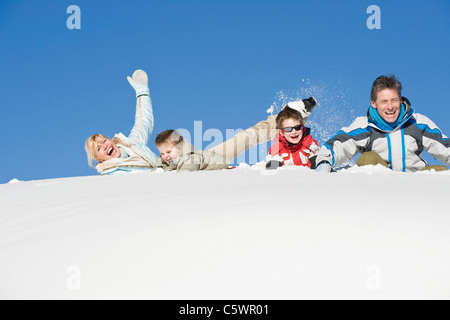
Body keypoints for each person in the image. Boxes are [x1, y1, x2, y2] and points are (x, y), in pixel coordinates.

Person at [315, 75, 450, 172]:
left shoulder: (417, 123)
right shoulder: (365, 126)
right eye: (384, 102)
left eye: (394, 100)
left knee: (441, 172)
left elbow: (444, 147)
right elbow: (339, 144)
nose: (390, 107)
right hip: (380, 185)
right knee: (369, 158)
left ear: (400, 99)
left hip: (414, 182)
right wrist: (324, 161)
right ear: (373, 103)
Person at [154, 100, 318, 172]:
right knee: (245, 137)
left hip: (214, 156)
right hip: (211, 159)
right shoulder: (160, 161)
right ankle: (286, 119)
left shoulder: (187, 158)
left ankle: (287, 116)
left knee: (245, 137)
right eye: (163, 153)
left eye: (168, 152)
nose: (165, 156)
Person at [85, 69, 158, 175]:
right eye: (99, 148)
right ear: (99, 159)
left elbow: (143, 121)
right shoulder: (112, 174)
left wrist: (142, 91)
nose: (105, 146)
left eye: (104, 141)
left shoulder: (133, 145)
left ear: (111, 141)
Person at [265, 98, 320, 169]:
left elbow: (319, 164)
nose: (294, 132)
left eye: (297, 127)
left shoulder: (309, 144)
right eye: (288, 129)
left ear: (302, 128)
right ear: (281, 132)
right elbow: (271, 170)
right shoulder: (277, 148)